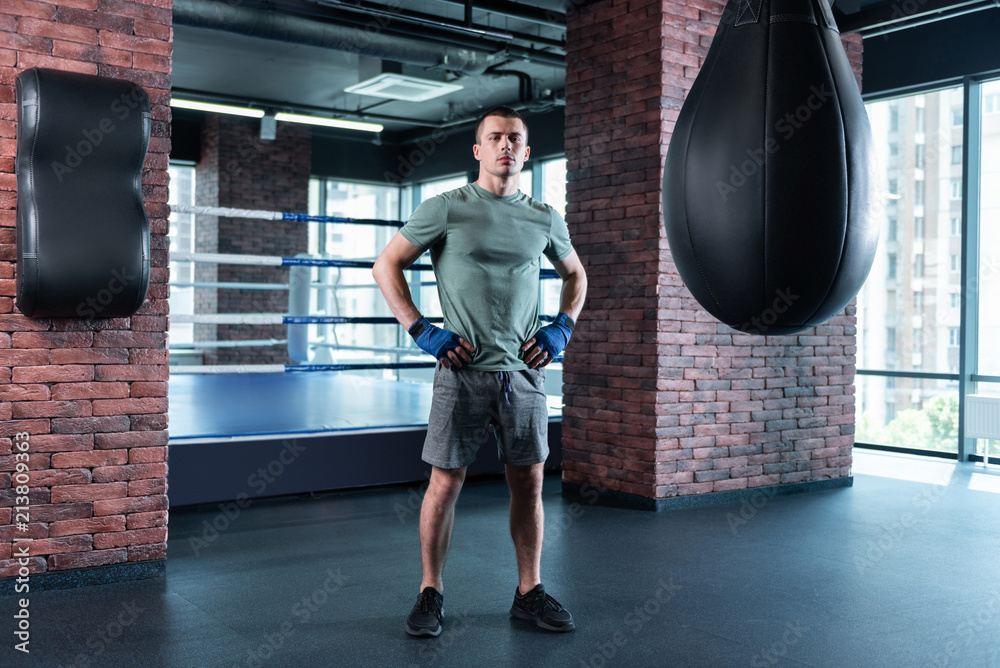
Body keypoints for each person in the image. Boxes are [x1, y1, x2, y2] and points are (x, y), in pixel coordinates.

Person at [372, 106, 587, 637]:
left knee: (530, 482)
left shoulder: (544, 217)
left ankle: (528, 592)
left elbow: (577, 274)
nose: (506, 146)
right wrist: (422, 329)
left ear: (527, 151)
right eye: (495, 138)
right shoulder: (446, 207)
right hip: (461, 368)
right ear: (478, 150)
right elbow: (386, 264)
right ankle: (430, 591)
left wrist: (562, 326)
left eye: (515, 138)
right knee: (444, 484)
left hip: (526, 372)